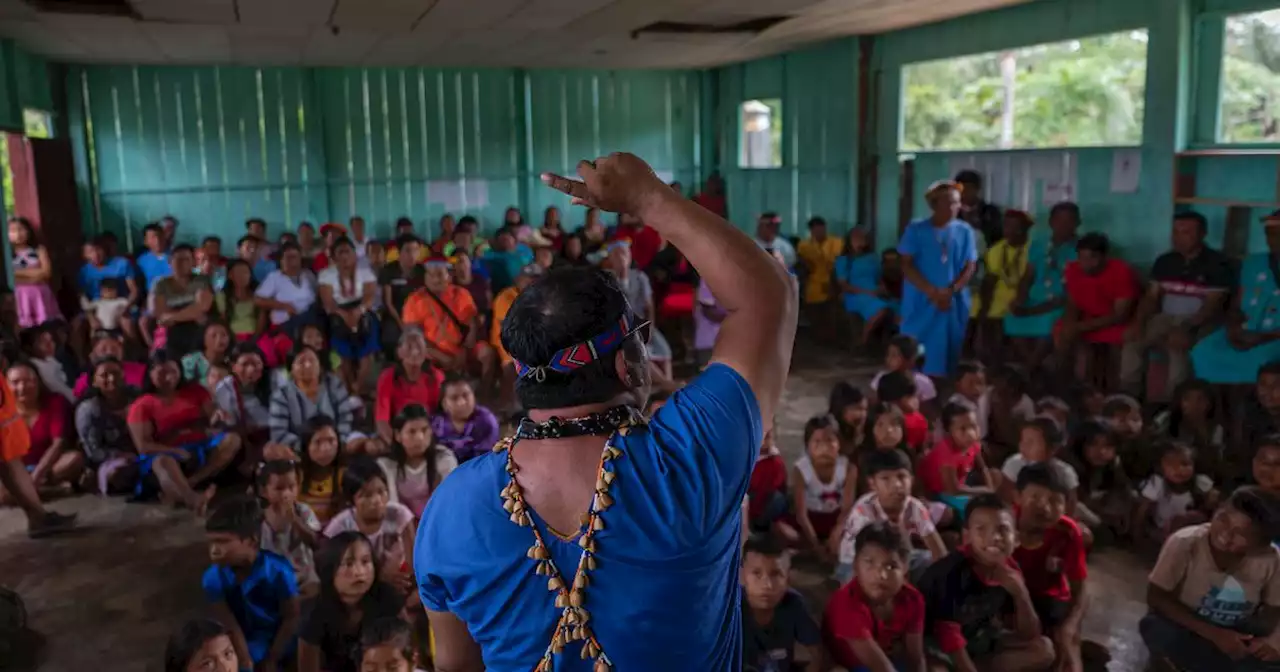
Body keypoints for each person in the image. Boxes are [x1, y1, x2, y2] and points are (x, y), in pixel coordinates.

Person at [416, 152, 797, 670]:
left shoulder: (451, 507)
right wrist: (648, 199)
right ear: (628, 364)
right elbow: (768, 294)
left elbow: (455, 668)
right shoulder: (692, 456)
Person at [1142, 487, 1280, 671]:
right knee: (1156, 628)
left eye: (1242, 534)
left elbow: (1273, 612)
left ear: (1260, 545)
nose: (1225, 534)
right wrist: (1215, 634)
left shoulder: (1271, 560)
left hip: (1235, 633)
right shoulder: (1185, 542)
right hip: (1186, 624)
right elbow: (1156, 597)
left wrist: (1265, 642)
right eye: (1223, 519)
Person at [917, 494, 1055, 672]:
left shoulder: (1011, 569)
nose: (994, 537)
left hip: (978, 639)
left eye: (1003, 529)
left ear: (1017, 539)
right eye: (981, 529)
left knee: (1044, 649)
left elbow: (1028, 634)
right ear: (967, 536)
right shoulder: (950, 572)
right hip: (938, 645)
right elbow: (948, 635)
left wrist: (1021, 594)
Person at [1123, 211, 1232, 402]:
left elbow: (1211, 307)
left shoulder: (1218, 263)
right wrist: (1138, 322)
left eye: (1186, 232)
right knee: (1133, 341)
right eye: (1175, 232)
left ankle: (1171, 404)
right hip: (1166, 317)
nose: (1178, 238)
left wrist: (1186, 328)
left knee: (1178, 346)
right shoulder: (1165, 261)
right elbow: (1151, 297)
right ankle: (1129, 401)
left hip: (1199, 320)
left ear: (1202, 234)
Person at [128, 350, 243, 513]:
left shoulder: (196, 391)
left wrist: (217, 416)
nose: (168, 378)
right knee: (163, 462)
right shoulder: (141, 405)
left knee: (232, 440)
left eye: (173, 372)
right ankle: (192, 499)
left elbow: (212, 420)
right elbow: (143, 446)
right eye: (162, 373)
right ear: (150, 375)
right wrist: (174, 450)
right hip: (165, 452)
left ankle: (192, 482)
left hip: (199, 447)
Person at [203, 496, 301, 671]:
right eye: (212, 541)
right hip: (244, 640)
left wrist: (272, 658)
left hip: (281, 638)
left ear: (251, 541)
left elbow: (291, 617)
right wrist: (245, 659)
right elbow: (230, 624)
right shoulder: (212, 578)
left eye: (223, 541)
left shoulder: (278, 571)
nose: (214, 550)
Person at [1012, 463, 1090, 672]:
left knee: (1066, 654)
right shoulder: (1004, 524)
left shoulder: (1068, 532)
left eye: (1055, 501)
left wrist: (1070, 628)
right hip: (1006, 598)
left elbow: (1080, 588)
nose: (1044, 507)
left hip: (1049, 601)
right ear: (1017, 496)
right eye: (1035, 497)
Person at [897, 180, 979, 379]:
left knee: (948, 347)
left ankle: (942, 388)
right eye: (951, 202)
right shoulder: (916, 229)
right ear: (935, 205)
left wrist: (950, 291)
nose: (956, 207)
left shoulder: (965, 230)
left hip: (952, 299)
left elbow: (970, 265)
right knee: (915, 347)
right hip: (922, 298)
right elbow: (906, 264)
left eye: (958, 202)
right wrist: (932, 292)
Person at [824, 522, 928, 672]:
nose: (881, 575)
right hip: (855, 666)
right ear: (855, 566)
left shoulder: (912, 598)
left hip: (892, 660)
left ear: (904, 568)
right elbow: (883, 669)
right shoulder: (845, 602)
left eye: (891, 566)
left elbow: (916, 658)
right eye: (869, 563)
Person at [834, 448, 945, 585]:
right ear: (872, 484)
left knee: (931, 562)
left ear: (912, 480)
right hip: (858, 562)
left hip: (897, 559)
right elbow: (870, 558)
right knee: (859, 584)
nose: (896, 485)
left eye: (902, 477)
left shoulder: (915, 507)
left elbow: (939, 552)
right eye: (885, 478)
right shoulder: (864, 511)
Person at [299, 531, 407, 672]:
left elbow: (406, 649)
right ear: (330, 569)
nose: (359, 572)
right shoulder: (314, 610)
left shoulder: (388, 598)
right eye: (348, 563)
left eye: (365, 561)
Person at [1005, 202, 1080, 373]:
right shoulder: (1039, 244)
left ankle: (1029, 369)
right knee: (1012, 317)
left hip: (1062, 301)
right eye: (1060, 220)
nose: (1064, 226)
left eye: (1069, 221)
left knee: (1050, 321)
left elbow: (1075, 288)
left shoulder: (1081, 248)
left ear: (1078, 223)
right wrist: (1019, 298)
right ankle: (1034, 367)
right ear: (1051, 222)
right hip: (1035, 297)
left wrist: (1032, 311)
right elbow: (1028, 275)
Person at [1055, 233, 1138, 383]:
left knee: (1119, 344)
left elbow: (1120, 315)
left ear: (1105, 257)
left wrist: (1080, 327)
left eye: (1092, 258)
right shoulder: (1073, 269)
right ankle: (1064, 383)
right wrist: (1070, 324)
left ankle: (1111, 391)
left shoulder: (1121, 270)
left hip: (1113, 322)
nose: (1086, 263)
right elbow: (1072, 302)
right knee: (1062, 333)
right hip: (1086, 318)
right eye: (1082, 258)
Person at [323, 456, 415, 591]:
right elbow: (331, 569)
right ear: (351, 500)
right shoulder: (341, 526)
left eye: (381, 492)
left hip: (399, 581)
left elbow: (413, 560)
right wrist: (380, 578)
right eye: (366, 495)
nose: (377, 500)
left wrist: (404, 575)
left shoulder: (399, 514)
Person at [401, 256, 494, 387]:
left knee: (487, 354)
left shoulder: (461, 294)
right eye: (431, 275)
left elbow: (472, 325)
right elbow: (415, 337)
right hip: (432, 351)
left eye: (439, 274)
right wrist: (442, 356)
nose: (435, 279)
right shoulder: (414, 300)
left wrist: (465, 350)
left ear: (449, 276)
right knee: (417, 353)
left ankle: (485, 395)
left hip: (463, 347)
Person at [740, 535, 822, 671]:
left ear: (787, 579)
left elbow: (818, 654)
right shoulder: (728, 609)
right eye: (756, 573)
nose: (767, 585)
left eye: (776, 574)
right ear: (743, 575)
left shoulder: (794, 604)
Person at [268, 345, 368, 454]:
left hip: (336, 444)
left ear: (320, 366)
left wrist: (335, 443)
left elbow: (345, 419)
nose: (307, 365)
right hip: (300, 450)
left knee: (361, 442)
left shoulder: (334, 385)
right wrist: (310, 447)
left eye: (312, 360)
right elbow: (279, 433)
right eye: (301, 362)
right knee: (271, 450)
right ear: (291, 370)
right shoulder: (281, 396)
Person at [606, 239, 675, 384]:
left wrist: (649, 326)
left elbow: (649, 305)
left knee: (665, 350)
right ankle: (668, 386)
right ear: (610, 259)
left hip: (642, 324)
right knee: (639, 352)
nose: (621, 257)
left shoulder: (640, 277)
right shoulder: (608, 280)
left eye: (624, 253)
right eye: (617, 254)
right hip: (621, 329)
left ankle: (668, 382)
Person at [6, 361, 82, 491]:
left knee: (74, 459)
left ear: (38, 382)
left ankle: (31, 491)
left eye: (28, 381)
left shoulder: (55, 402)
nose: (22, 387)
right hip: (17, 470)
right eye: (15, 382)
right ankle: (53, 491)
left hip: (49, 468)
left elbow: (58, 444)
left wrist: (37, 475)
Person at [318, 236, 379, 396]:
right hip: (337, 312)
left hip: (363, 309)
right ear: (334, 257)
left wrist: (358, 312)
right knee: (342, 352)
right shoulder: (326, 274)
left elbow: (369, 296)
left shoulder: (365, 272)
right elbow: (328, 302)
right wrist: (344, 315)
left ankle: (358, 386)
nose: (344, 256)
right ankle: (349, 387)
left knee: (367, 351)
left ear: (354, 254)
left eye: (348, 251)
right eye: (340, 252)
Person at [791, 414, 855, 559]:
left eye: (830, 440)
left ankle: (826, 548)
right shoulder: (801, 469)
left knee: (852, 535)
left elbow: (847, 509)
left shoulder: (848, 468)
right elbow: (801, 514)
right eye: (817, 442)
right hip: (811, 520)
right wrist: (815, 544)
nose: (824, 447)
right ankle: (812, 547)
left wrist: (836, 533)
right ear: (807, 446)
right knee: (781, 529)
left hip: (836, 519)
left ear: (839, 444)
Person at [377, 403, 458, 519]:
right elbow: (392, 507)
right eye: (412, 432)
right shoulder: (387, 464)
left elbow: (451, 500)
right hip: (403, 527)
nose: (420, 437)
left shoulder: (444, 458)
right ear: (398, 435)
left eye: (424, 430)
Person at [972, 209, 1033, 359]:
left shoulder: (1033, 249)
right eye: (1006, 226)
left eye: (1015, 226)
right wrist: (983, 309)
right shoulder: (996, 250)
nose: (1009, 230)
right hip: (999, 295)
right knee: (977, 309)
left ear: (1025, 229)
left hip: (1024, 295)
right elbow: (989, 281)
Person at [75, 357, 139, 495]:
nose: (111, 379)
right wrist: (119, 455)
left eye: (116, 373)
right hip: (109, 459)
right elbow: (93, 451)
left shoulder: (137, 399)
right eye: (104, 375)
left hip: (141, 453)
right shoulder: (88, 409)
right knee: (117, 474)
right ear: (94, 381)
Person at [257, 459, 322, 594]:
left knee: (314, 589)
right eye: (279, 488)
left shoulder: (303, 511)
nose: (286, 493)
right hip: (273, 576)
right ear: (264, 491)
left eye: (291, 487)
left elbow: (315, 541)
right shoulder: (259, 518)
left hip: (305, 575)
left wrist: (295, 520)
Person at [1135, 441, 1218, 543]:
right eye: (1171, 465)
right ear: (1161, 467)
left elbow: (1215, 506)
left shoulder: (1200, 482)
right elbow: (1142, 510)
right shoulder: (1157, 483)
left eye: (1185, 464)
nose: (1179, 469)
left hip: (1192, 532)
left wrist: (1210, 501)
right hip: (1162, 531)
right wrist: (1137, 534)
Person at [374, 329, 445, 446]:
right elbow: (382, 419)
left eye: (419, 346)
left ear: (426, 352)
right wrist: (396, 445)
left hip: (428, 435)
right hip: (398, 436)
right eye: (409, 347)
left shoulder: (436, 377)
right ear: (399, 352)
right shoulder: (387, 377)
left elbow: (442, 415)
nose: (415, 352)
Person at [491, 263, 544, 410]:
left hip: (532, 341)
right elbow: (511, 328)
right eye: (528, 278)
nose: (531, 282)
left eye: (535, 279)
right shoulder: (506, 296)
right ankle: (506, 408)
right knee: (512, 367)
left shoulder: (541, 296)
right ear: (519, 279)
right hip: (506, 342)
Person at [834, 226, 896, 345]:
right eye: (856, 237)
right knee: (882, 309)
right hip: (855, 295)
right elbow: (844, 285)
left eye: (862, 237)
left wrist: (882, 288)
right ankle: (862, 340)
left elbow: (879, 278)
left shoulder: (873, 258)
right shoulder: (844, 260)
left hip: (875, 292)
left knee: (898, 308)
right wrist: (868, 292)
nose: (860, 240)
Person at [153, 244, 215, 357]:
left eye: (186, 259)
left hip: (198, 331)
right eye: (177, 259)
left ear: (193, 263)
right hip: (174, 332)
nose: (181, 263)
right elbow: (161, 316)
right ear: (170, 261)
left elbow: (201, 308)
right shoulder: (162, 284)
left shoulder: (201, 280)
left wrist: (172, 316)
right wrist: (191, 313)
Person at [255, 242, 318, 344]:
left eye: (295, 257)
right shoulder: (274, 277)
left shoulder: (308, 275)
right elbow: (258, 300)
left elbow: (317, 295)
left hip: (310, 319)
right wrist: (284, 306)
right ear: (281, 260)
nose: (292, 261)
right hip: (286, 323)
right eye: (288, 257)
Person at [430, 375, 499, 464]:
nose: (461, 402)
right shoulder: (435, 425)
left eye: (465, 395)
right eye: (454, 398)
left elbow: (487, 458)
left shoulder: (486, 421)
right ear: (444, 404)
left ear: (473, 396)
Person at [8, 217, 62, 329]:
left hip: (40, 295)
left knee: (46, 327)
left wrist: (18, 273)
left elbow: (46, 273)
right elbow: (9, 276)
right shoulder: (7, 254)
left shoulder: (39, 250)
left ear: (28, 231)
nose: (18, 234)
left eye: (21, 229)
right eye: (13, 230)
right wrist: (35, 274)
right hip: (19, 297)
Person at [796, 216, 844, 340]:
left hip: (835, 279)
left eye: (822, 229)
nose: (819, 232)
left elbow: (839, 261)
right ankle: (818, 336)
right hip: (814, 280)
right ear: (811, 230)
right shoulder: (804, 245)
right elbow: (803, 263)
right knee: (813, 305)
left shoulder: (837, 242)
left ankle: (832, 336)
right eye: (816, 229)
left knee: (833, 306)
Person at [378, 234, 426, 353]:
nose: (412, 255)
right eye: (408, 251)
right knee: (391, 337)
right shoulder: (388, 270)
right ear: (399, 252)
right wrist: (402, 324)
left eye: (415, 250)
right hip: (395, 315)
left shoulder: (423, 271)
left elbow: (426, 299)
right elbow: (388, 303)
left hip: (418, 315)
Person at [296, 415, 345, 526]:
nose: (326, 448)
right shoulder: (296, 475)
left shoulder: (345, 475)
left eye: (331, 440)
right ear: (306, 446)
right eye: (318, 442)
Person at [955, 169, 1004, 248]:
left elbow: (999, 241)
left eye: (968, 188)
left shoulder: (991, 212)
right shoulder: (950, 213)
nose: (964, 192)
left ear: (977, 189)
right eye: (960, 189)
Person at [217, 259, 262, 343]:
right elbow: (223, 322)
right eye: (239, 273)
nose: (243, 276)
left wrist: (254, 339)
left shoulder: (258, 295)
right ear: (230, 275)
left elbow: (261, 320)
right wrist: (233, 339)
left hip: (254, 336)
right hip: (231, 337)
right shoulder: (222, 296)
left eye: (246, 273)